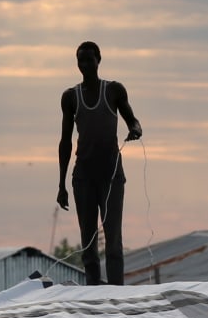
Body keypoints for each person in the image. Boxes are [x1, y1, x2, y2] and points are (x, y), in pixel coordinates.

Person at [55, 41, 143, 286]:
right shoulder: (71, 97)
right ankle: (94, 295)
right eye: (80, 60)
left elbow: (133, 121)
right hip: (83, 177)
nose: (84, 65)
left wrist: (135, 130)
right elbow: (65, 142)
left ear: (98, 60)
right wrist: (61, 185)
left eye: (89, 60)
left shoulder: (113, 90)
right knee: (88, 244)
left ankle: (116, 295)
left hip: (112, 176)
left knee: (113, 241)